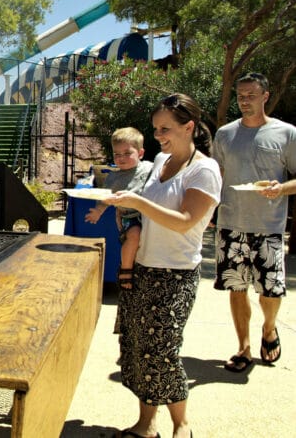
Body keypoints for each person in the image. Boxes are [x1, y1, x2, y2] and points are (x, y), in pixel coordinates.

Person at [103, 94, 221, 438]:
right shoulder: (160, 162)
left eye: (165, 129)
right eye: (155, 129)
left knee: (163, 352)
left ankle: (181, 425)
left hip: (175, 274)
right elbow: (147, 213)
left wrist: (137, 201)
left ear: (189, 127)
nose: (158, 136)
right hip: (143, 268)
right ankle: (146, 424)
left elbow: (185, 221)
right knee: (137, 348)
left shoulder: (205, 170)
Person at [212, 72, 296, 372]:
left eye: (250, 94)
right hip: (231, 222)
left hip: (269, 225)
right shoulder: (224, 134)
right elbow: (216, 176)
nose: (244, 100)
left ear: (265, 96)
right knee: (236, 288)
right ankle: (243, 348)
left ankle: (269, 329)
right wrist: (210, 212)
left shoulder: (286, 134)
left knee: (270, 291)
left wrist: (281, 188)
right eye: (240, 95)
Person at [86, 127, 153, 290]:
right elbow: (105, 197)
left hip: (149, 213)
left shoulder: (150, 168)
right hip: (129, 216)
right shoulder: (114, 177)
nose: (121, 158)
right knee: (134, 235)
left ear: (141, 153)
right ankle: (126, 269)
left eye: (127, 153)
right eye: (117, 154)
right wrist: (98, 211)